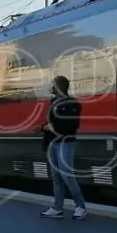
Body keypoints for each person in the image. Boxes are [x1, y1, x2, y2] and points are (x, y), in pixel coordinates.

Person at [40, 75, 87, 219]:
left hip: (65, 144)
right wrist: (43, 128)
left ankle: (81, 207)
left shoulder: (72, 104)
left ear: (58, 87)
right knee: (57, 178)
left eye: (53, 84)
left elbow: (70, 126)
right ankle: (57, 208)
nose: (51, 86)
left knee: (67, 176)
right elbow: (54, 124)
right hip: (53, 145)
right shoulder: (53, 102)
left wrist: (50, 128)